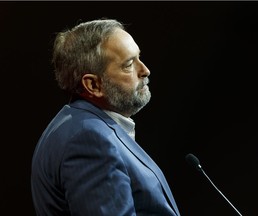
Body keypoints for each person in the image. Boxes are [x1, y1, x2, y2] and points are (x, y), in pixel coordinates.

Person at [31, 18, 181, 216]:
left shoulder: (77, 125)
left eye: (139, 57)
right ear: (93, 85)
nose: (145, 70)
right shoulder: (88, 140)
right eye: (128, 64)